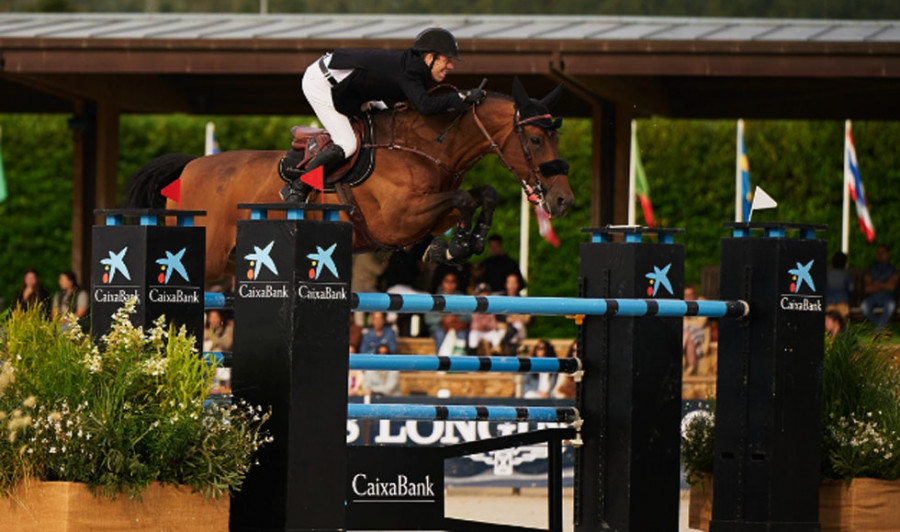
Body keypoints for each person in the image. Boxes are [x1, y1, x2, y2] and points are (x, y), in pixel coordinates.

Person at [282, 27, 487, 203]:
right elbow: (426, 106)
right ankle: (298, 187)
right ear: (430, 57)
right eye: (446, 60)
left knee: (386, 123)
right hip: (322, 83)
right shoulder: (412, 70)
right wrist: (462, 96)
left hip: (353, 88)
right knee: (347, 144)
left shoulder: (416, 69)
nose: (450, 66)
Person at [424, 271, 470, 354]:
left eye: (452, 282)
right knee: (439, 335)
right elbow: (428, 318)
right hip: (439, 328)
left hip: (458, 328)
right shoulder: (436, 298)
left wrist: (456, 319)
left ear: (456, 284)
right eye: (447, 281)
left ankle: (459, 365)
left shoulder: (462, 298)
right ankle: (442, 364)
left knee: (462, 336)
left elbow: (468, 316)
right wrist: (443, 320)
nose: (450, 285)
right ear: (442, 283)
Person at [860, 244, 899, 330]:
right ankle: (881, 327)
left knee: (891, 305)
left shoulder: (893, 270)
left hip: (887, 297)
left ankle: (880, 328)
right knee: (864, 306)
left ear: (888, 254)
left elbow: (891, 287)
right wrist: (885, 284)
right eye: (878, 252)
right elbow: (867, 289)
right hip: (873, 297)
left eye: (883, 252)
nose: (880, 254)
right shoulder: (870, 269)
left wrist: (875, 283)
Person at [467, 283, 505, 355]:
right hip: (478, 331)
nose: (484, 295)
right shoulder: (474, 305)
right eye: (481, 293)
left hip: (489, 331)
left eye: (486, 293)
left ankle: (496, 356)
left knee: (496, 337)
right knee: (473, 335)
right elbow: (473, 323)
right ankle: (472, 355)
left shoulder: (492, 305)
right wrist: (480, 326)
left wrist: (487, 326)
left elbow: (494, 323)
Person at [683, 285, 710, 375]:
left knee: (688, 334)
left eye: (691, 294)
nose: (689, 297)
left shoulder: (701, 303)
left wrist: (688, 322)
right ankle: (691, 366)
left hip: (700, 333)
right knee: (688, 335)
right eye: (686, 295)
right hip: (687, 335)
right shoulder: (682, 304)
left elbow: (701, 323)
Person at [825, 251, 853, 321]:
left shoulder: (828, 274)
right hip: (843, 303)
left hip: (829, 303)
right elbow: (851, 288)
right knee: (843, 321)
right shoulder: (846, 275)